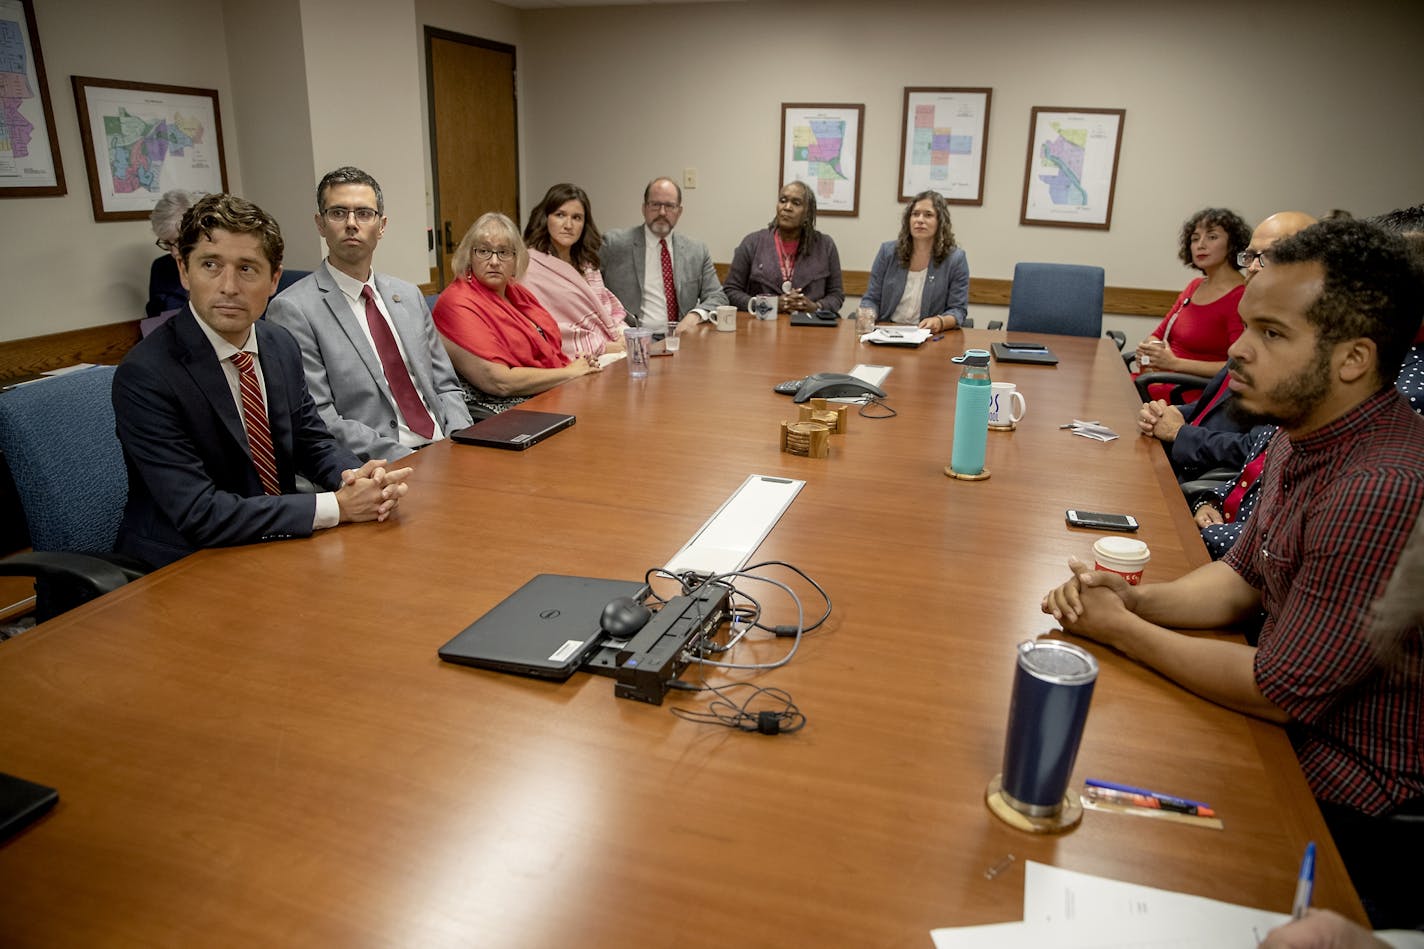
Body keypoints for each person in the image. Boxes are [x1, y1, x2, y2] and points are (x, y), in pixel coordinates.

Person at [1042, 218, 1424, 929]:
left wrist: (1123, 629)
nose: (1238, 350)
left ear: (1353, 358)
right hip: (1287, 735)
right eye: (1247, 325)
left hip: (1348, 806)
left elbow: (1278, 690)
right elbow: (1241, 576)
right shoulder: (1303, 427)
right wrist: (1132, 601)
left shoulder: (1382, 484)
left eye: (1272, 334)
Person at [112, 193, 413, 570]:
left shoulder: (279, 344)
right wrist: (337, 506)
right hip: (186, 560)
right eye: (210, 265)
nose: (229, 287)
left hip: (278, 541)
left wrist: (357, 479)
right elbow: (199, 512)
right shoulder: (146, 374)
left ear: (274, 279)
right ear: (184, 272)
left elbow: (311, 440)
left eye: (247, 269)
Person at [267, 166, 472, 462]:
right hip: (379, 464)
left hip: (448, 447)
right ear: (320, 224)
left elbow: (446, 386)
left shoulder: (409, 296)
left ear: (382, 225)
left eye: (364, 213)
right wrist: (410, 459)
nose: (352, 223)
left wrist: (461, 442)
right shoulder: (293, 309)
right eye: (338, 213)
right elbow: (321, 417)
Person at [1138, 211, 1317, 481]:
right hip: (1184, 451)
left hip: (1203, 476)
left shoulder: (1306, 350)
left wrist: (1180, 432)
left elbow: (1261, 450)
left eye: (1268, 256)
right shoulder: (1252, 311)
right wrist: (1171, 413)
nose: (1254, 267)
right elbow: (1214, 407)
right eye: (1251, 257)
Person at [432, 212, 602, 417]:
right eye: (484, 251)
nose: (494, 261)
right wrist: (569, 373)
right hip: (500, 412)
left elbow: (548, 348)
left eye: (504, 252)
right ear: (469, 256)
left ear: (516, 258)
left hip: (544, 393)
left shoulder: (516, 292)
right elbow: (498, 382)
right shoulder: (456, 302)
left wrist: (576, 365)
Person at [600, 177, 728, 336]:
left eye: (669, 206)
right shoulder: (614, 244)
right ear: (644, 208)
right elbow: (589, 292)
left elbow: (718, 296)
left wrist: (695, 315)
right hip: (632, 340)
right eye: (655, 205)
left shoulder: (696, 251)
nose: (662, 212)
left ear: (679, 211)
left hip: (680, 340)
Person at [1135, 207, 1252, 380]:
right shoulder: (1195, 286)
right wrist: (1150, 350)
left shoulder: (1240, 296)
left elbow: (1238, 366)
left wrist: (1175, 364)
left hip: (1190, 391)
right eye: (1195, 239)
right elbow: (1158, 334)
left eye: (1212, 237)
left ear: (1232, 244)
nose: (1200, 245)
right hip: (1161, 378)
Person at [519, 183, 628, 357]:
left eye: (577, 218)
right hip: (568, 362)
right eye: (560, 215)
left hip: (614, 349)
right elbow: (541, 326)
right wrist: (601, 347)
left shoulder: (588, 265)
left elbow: (606, 312)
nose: (568, 225)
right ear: (545, 218)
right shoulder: (529, 267)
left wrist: (624, 336)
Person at [723, 180, 845, 316]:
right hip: (763, 326)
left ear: (807, 213)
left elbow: (836, 295)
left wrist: (815, 307)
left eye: (796, 203)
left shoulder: (825, 245)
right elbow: (730, 290)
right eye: (783, 200)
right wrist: (766, 304)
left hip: (810, 326)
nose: (787, 207)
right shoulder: (752, 243)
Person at [859, 190, 968, 332]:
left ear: (940, 221)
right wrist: (868, 315)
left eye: (928, 215)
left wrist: (940, 322)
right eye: (915, 214)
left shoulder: (955, 259)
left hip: (928, 336)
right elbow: (871, 298)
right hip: (887, 331)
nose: (920, 220)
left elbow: (958, 310)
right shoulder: (888, 252)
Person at [146, 189, 200, 318]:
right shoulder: (161, 267)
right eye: (167, 243)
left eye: (179, 241)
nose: (175, 252)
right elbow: (155, 317)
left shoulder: (221, 264)